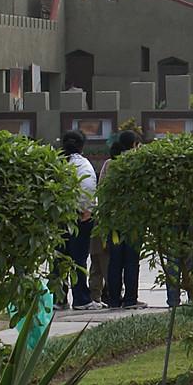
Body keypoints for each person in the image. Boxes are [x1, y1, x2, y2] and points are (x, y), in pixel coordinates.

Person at [100, 130, 143, 308]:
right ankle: (131, 299)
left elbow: (101, 190)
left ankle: (114, 299)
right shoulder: (139, 163)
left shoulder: (109, 164)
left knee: (115, 261)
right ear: (134, 144)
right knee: (132, 260)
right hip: (133, 220)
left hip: (114, 220)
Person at [59, 131, 97, 307]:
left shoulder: (56, 162)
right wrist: (86, 210)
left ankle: (58, 298)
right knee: (78, 259)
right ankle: (81, 298)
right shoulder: (83, 165)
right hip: (80, 218)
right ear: (82, 146)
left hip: (58, 218)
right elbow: (88, 188)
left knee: (59, 258)